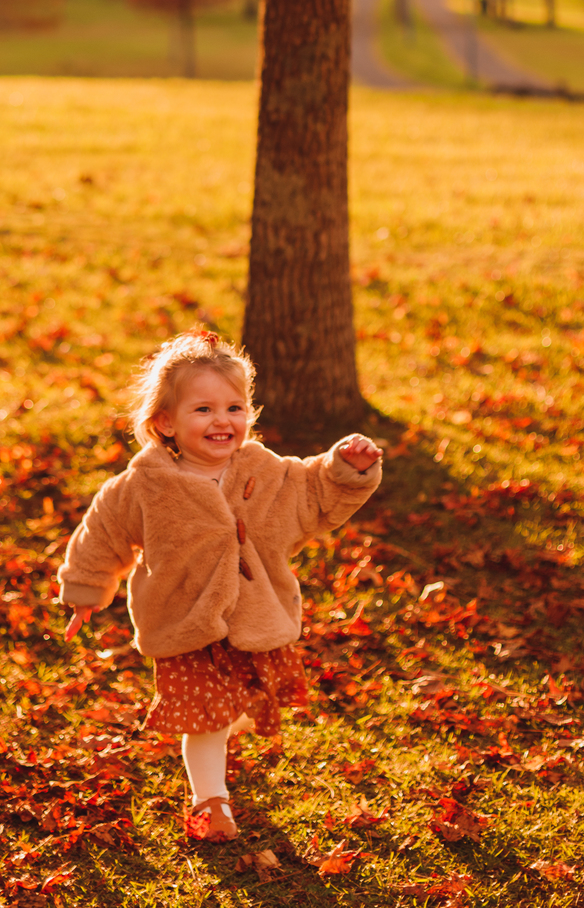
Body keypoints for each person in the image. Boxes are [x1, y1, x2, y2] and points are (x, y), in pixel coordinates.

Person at [57, 328, 382, 841]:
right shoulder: (143, 484)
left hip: (253, 614)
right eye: (203, 410)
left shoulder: (264, 470)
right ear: (165, 422)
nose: (222, 421)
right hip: (186, 621)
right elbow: (103, 534)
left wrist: (345, 468)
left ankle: (225, 735)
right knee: (205, 719)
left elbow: (312, 495)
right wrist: (85, 591)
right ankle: (210, 802)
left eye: (234, 407)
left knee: (238, 702)